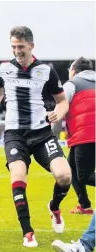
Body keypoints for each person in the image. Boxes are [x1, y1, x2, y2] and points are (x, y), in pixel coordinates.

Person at [0, 26, 72, 247]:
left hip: (42, 134)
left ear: (31, 46)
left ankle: (55, 207)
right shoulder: (2, 69)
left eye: (20, 47)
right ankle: (27, 231)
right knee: (18, 176)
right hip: (14, 134)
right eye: (13, 47)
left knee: (65, 176)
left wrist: (59, 112)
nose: (17, 51)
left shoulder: (47, 71)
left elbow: (62, 100)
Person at [52, 57, 95, 215]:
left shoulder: (71, 84)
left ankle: (84, 205)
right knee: (71, 170)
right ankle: (84, 205)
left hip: (86, 135)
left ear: (74, 71)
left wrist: (53, 135)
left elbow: (60, 109)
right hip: (84, 136)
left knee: (84, 176)